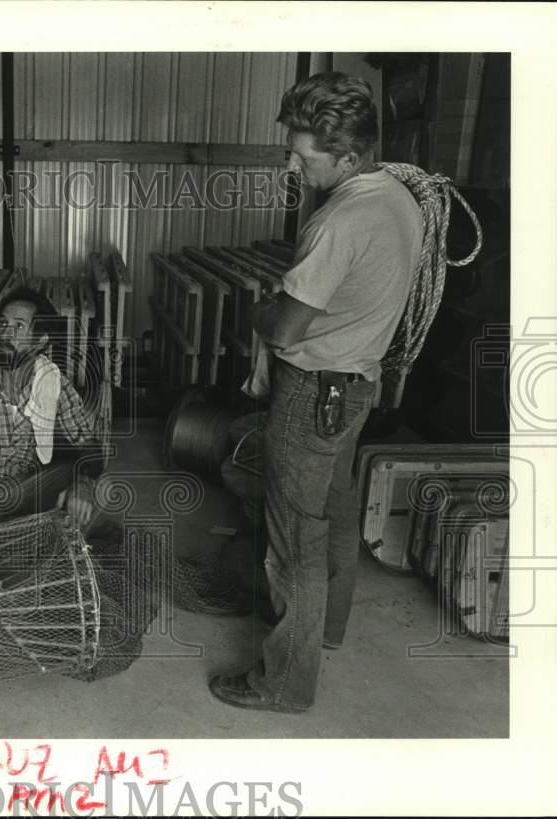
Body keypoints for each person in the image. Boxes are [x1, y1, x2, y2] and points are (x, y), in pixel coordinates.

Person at [209, 72, 423, 712]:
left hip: (311, 395)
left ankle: (282, 684)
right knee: (330, 520)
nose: (292, 162)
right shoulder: (398, 199)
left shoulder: (343, 219)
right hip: (354, 387)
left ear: (350, 156)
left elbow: (288, 325)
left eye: (304, 155)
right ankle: (325, 632)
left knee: (292, 542)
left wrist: (260, 313)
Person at [0, 286, 104, 532]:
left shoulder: (53, 384)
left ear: (40, 341)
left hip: (29, 484)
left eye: (19, 325)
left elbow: (89, 446)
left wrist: (84, 483)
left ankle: (38, 529)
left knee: (89, 487)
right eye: (2, 323)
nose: (4, 333)